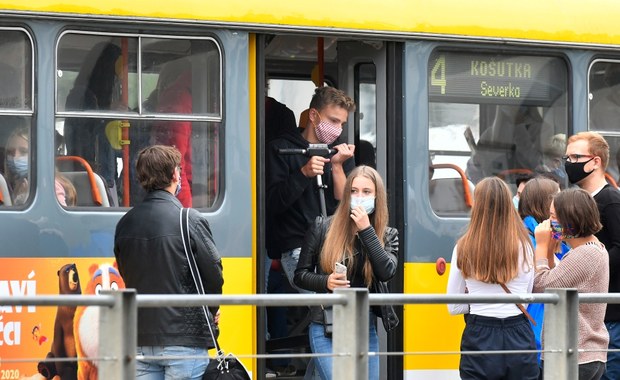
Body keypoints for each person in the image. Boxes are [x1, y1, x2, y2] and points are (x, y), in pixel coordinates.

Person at [114, 145, 223, 379]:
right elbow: (214, 273)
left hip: (139, 338)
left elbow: (126, 272)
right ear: (175, 174)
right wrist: (212, 309)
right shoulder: (188, 219)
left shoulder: (126, 223)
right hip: (184, 339)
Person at [294, 165, 399, 380]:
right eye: (353, 191)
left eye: (366, 192)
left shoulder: (387, 235)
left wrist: (366, 230)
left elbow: (386, 271)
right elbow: (300, 275)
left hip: (363, 324)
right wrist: (326, 282)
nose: (359, 197)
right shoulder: (323, 227)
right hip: (327, 325)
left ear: (377, 196)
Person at [446, 176, 538, 380]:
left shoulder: (463, 247)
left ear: (477, 207)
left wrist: (479, 300)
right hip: (519, 333)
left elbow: (453, 307)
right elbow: (527, 294)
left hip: (480, 335)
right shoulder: (525, 245)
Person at [266, 86, 356, 289]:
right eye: (333, 121)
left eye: (342, 123)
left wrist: (337, 165)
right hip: (296, 245)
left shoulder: (340, 152)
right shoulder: (282, 149)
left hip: (334, 246)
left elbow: (346, 204)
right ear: (314, 116)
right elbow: (272, 203)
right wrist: (303, 174)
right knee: (320, 309)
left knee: (341, 307)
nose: (338, 129)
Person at [533, 188, 609, 379]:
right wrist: (550, 250)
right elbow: (556, 283)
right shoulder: (589, 249)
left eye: (552, 217)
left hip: (576, 355)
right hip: (581, 354)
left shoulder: (586, 254)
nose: (549, 223)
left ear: (569, 220)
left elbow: (541, 286)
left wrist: (541, 247)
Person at [564, 131, 620, 380]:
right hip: (587, 318)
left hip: (609, 319)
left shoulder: (610, 200)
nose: (569, 164)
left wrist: (590, 268)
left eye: (576, 157)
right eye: (566, 158)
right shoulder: (577, 201)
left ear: (596, 161)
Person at [517, 177, 569, 368]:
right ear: (546, 205)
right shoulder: (527, 238)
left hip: (545, 333)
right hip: (537, 334)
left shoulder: (552, 233)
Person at [64, 42, 122, 200]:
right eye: (115, 76)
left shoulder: (89, 97)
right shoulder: (83, 97)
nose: (118, 82)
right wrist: (109, 115)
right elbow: (85, 139)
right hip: (91, 173)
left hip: (102, 173)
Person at [151, 58, 194, 207]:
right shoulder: (180, 98)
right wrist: (184, 206)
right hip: (184, 184)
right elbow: (175, 160)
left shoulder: (176, 96)